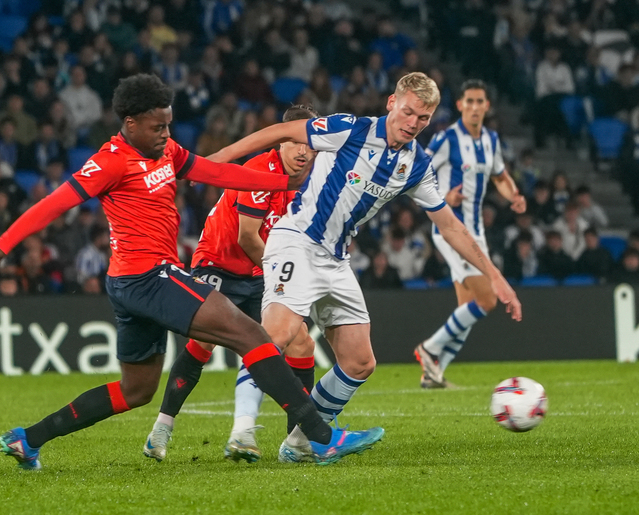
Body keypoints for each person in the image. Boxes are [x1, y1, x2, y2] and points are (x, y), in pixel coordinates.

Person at [0, 74, 382, 470]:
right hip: (147, 276)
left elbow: (217, 172)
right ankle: (321, 438)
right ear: (130, 123)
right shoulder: (111, 161)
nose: (165, 133)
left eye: (168, 124)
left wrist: (289, 186)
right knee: (252, 335)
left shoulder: (167, 152)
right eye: (156, 126)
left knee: (136, 391)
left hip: (135, 283)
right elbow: (54, 204)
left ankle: (28, 439)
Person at [206, 72, 522, 462]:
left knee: (359, 362)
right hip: (297, 242)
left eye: (423, 119)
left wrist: (495, 277)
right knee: (279, 335)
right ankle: (242, 431)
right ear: (392, 102)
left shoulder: (416, 165)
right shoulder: (350, 129)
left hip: (336, 260)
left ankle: (302, 445)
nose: (413, 124)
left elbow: (450, 226)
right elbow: (280, 131)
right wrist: (221, 159)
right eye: (408, 113)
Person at [144, 105, 320, 464]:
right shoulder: (260, 169)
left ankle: (297, 440)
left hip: (258, 271)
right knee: (203, 342)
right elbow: (248, 237)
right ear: (280, 142)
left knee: (300, 343)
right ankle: (161, 428)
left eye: (310, 145)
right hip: (218, 262)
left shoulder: (310, 179)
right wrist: (285, 278)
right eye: (295, 142)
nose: (303, 152)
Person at [415, 79, 526, 389]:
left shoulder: (490, 139)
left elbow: (500, 175)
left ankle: (433, 374)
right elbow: (416, 169)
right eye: (470, 101)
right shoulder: (446, 139)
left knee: (468, 307)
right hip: (450, 231)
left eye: (480, 101)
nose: (475, 107)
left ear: (487, 106)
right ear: (460, 105)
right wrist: (442, 197)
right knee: (488, 298)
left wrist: (513, 195)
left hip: (475, 233)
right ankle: (429, 349)